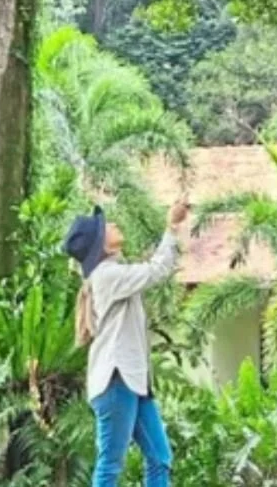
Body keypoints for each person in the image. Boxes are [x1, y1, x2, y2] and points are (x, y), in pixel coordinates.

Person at [64, 199, 190, 487]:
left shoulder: (114, 274)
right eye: (106, 227)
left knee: (160, 458)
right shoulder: (106, 276)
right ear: (102, 246)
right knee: (110, 463)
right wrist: (171, 226)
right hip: (116, 379)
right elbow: (156, 270)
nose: (113, 224)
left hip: (132, 380)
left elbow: (148, 269)